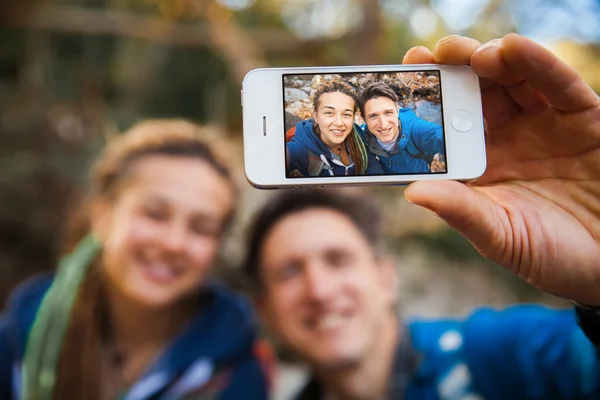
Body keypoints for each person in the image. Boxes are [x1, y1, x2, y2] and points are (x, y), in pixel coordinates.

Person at [243, 33, 600, 400]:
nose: (319, 289)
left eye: (338, 259)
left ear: (385, 277)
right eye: (289, 271)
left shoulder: (493, 353)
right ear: (263, 308)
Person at [0, 120, 270, 400]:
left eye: (201, 228)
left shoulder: (237, 372)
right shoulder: (19, 342)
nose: (173, 243)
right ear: (102, 215)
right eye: (155, 214)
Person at [286, 80, 384, 177]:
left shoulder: (359, 137)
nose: (339, 123)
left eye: (346, 114)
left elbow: (375, 171)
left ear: (353, 118)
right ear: (315, 116)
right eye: (329, 113)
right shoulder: (299, 149)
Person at [358, 81, 446, 173]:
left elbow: (441, 137)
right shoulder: (363, 135)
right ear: (364, 118)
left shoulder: (416, 129)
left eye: (388, 113)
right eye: (373, 116)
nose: (383, 125)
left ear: (397, 110)